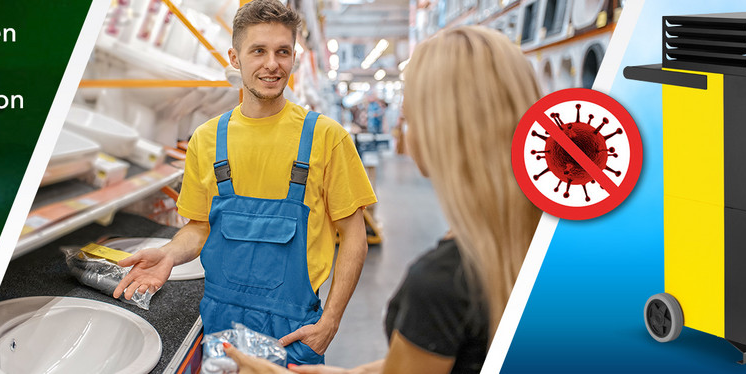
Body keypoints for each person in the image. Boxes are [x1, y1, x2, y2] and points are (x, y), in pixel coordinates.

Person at [222, 25, 543, 374]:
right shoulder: (547, 239)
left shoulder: (443, 284)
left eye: (409, 116)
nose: (404, 127)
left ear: (438, 131)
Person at [112, 0, 377, 366]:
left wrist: (330, 322)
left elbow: (354, 236)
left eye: (283, 52)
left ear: (294, 58)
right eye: (258, 51)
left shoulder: (327, 137)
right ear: (235, 58)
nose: (272, 64)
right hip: (221, 323)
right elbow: (200, 227)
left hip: (294, 329)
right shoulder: (206, 140)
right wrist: (169, 255)